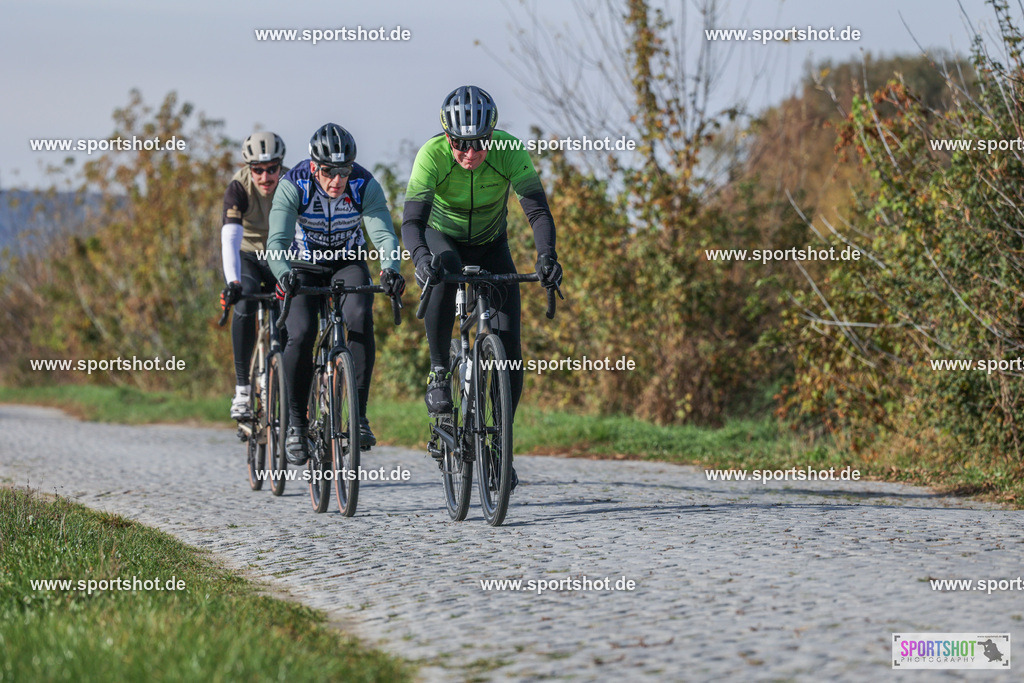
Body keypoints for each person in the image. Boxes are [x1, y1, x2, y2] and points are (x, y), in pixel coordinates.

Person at [402, 85, 563, 489]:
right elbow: (411, 224)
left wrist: (547, 258)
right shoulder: (431, 155)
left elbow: (538, 211)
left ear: (492, 136)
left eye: (479, 143)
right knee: (444, 269)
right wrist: (422, 260)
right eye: (460, 143)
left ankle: (497, 446)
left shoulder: (510, 151)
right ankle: (440, 374)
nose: (470, 154)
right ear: (446, 135)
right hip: (444, 239)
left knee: (510, 357)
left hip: (493, 245)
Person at [266, 123, 404, 465]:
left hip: (347, 261)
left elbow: (384, 236)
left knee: (359, 316)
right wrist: (285, 275)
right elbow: (276, 244)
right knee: (299, 334)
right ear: (314, 166)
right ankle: (296, 424)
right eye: (328, 171)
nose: (336, 180)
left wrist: (391, 269)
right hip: (302, 264)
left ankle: (358, 415)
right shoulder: (293, 185)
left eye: (343, 171)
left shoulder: (363, 184)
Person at [219, 131, 289, 420]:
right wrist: (232, 282)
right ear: (249, 169)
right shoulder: (239, 186)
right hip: (247, 255)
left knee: (291, 304)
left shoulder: (292, 182)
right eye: (257, 170)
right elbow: (230, 237)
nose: (265, 177)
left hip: (279, 254)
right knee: (245, 303)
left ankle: (287, 380)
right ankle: (243, 389)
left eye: (271, 169)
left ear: (280, 166)